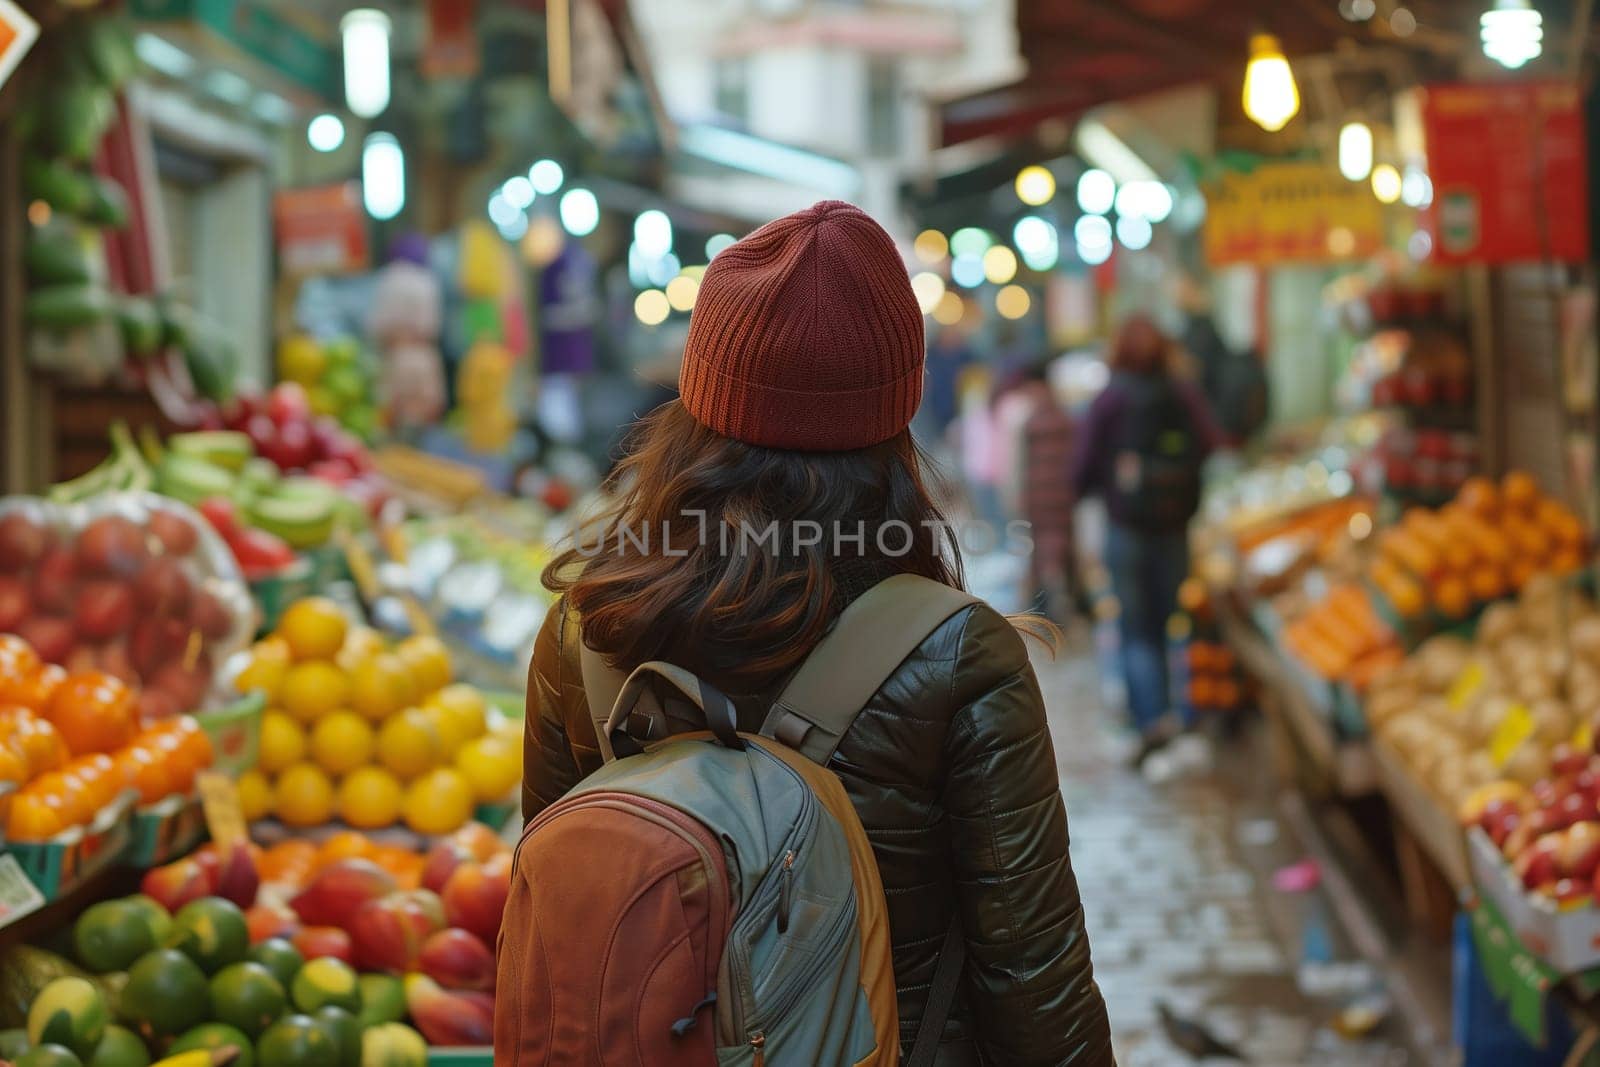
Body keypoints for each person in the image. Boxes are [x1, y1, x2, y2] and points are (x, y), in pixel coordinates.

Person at [521, 201, 1114, 1066]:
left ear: (700, 392)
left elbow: (550, 911)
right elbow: (1035, 984)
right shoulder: (957, 655)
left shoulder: (586, 634)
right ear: (894, 411)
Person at [1073, 315, 1221, 762]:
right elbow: (1211, 443)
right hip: (1174, 529)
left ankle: (1151, 719)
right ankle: (1185, 712)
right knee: (1173, 620)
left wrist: (1105, 487)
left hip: (1127, 530)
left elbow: (1080, 470)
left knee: (1134, 629)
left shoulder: (1110, 398)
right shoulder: (1182, 392)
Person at [1000, 361, 1084, 621]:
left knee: (1042, 549)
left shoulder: (1028, 424)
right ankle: (1065, 600)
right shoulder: (1068, 419)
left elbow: (1017, 465)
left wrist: (1014, 496)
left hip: (1038, 499)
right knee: (1063, 547)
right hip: (1063, 498)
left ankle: (1046, 602)